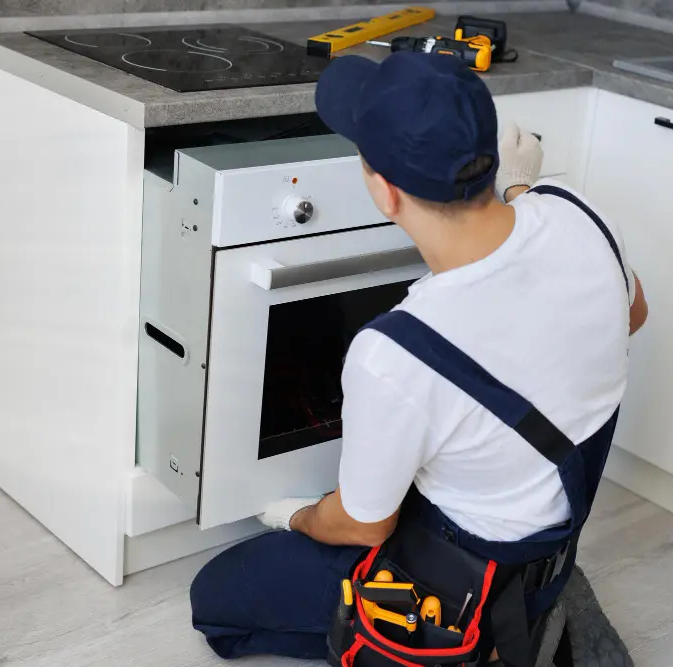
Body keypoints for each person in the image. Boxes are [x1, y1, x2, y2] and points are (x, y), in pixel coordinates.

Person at [189, 50, 648, 664]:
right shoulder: (580, 212)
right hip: (545, 538)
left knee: (216, 600)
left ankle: (457, 645)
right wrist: (522, 188)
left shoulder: (396, 352)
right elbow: (632, 315)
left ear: (383, 191)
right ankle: (535, 612)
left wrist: (298, 516)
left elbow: (363, 526)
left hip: (458, 578)